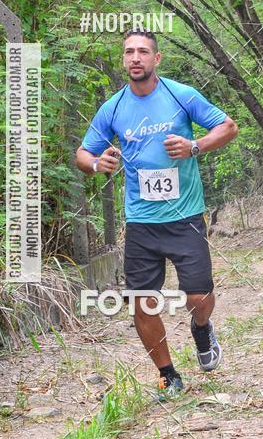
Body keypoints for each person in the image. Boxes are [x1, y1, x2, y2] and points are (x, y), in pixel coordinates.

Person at [76, 30, 238, 400]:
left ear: (157, 59)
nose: (136, 58)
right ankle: (168, 375)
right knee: (142, 302)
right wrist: (98, 163)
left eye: (143, 52)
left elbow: (227, 127)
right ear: (123, 60)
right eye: (129, 52)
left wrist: (194, 145)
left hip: (185, 217)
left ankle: (202, 327)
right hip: (141, 222)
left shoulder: (181, 96)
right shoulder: (113, 108)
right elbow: (83, 154)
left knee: (198, 296)